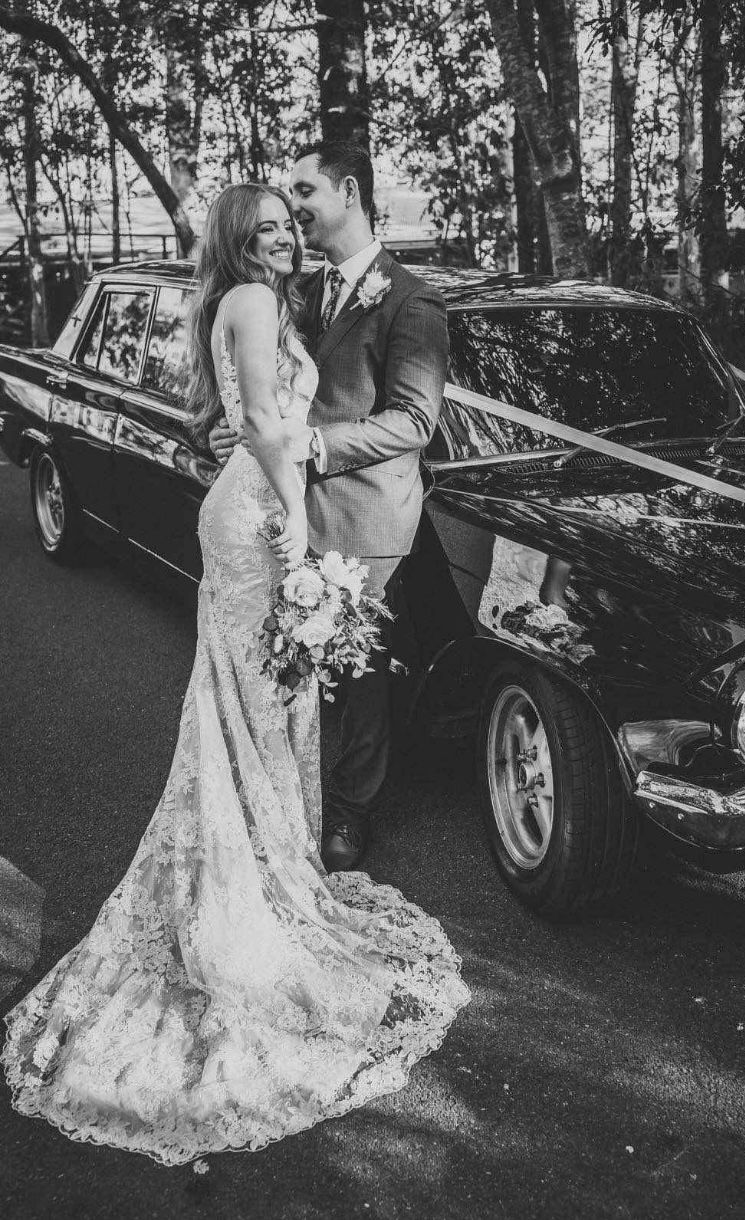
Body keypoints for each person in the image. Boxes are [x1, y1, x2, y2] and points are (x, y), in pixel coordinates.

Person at [1, 182, 469, 1167]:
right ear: (233, 240)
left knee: (258, 713)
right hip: (267, 522)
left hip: (260, 507)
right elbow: (266, 422)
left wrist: (266, 454)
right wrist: (298, 541)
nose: (283, 239)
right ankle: (246, 905)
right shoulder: (255, 303)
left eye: (290, 226)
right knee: (256, 711)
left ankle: (265, 874)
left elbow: (257, 414)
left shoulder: (268, 300)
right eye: (263, 230)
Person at [209, 142, 449, 873]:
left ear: (349, 192)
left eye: (305, 191)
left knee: (356, 670)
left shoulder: (411, 297)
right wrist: (239, 427)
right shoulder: (296, 288)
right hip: (286, 508)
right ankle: (294, 798)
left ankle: (348, 815)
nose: (295, 209)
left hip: (365, 514)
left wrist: (307, 442)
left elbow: (414, 420)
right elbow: (265, 382)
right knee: (294, 662)